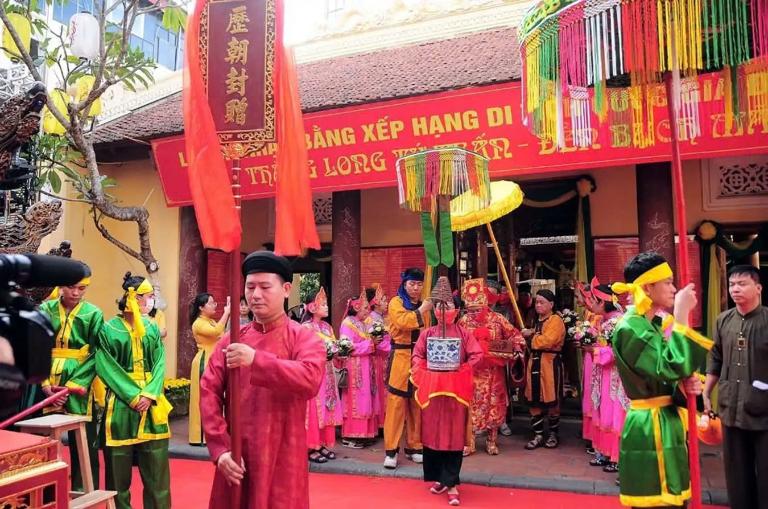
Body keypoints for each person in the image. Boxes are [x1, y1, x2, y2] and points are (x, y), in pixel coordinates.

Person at [200, 251, 326, 509]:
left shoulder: (304, 338)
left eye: (265, 287)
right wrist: (221, 448)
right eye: (250, 286)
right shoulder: (231, 340)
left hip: (284, 455)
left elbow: (310, 379)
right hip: (238, 456)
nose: (255, 294)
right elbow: (208, 392)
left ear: (286, 289)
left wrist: (256, 360)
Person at [611, 252, 712, 508]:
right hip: (649, 425)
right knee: (657, 501)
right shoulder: (630, 328)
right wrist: (680, 317)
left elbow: (672, 373)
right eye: (667, 282)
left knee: (676, 498)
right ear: (647, 287)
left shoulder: (651, 325)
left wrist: (686, 384)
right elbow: (669, 366)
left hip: (666, 419)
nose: (673, 288)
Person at [96, 273, 171, 509]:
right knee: (117, 478)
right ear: (132, 298)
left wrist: (149, 394)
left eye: (151, 297)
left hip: (153, 405)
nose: (151, 302)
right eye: (147, 297)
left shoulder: (151, 328)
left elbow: (160, 362)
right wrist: (132, 395)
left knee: (158, 475)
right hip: (120, 406)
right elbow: (105, 365)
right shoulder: (108, 329)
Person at [705, 264, 768, 509]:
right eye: (732, 284)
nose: (735, 289)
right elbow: (716, 358)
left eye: (742, 284)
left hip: (764, 408)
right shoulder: (723, 320)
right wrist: (707, 391)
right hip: (731, 406)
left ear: (758, 288)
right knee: (736, 473)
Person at [412, 297, 483, 506]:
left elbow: (477, 355)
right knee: (432, 434)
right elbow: (416, 356)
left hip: (455, 392)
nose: (443, 310)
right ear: (434, 309)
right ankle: (439, 478)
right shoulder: (427, 334)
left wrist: (462, 369)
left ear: (458, 310)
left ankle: (451, 483)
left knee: (453, 436)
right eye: (439, 306)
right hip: (433, 391)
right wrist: (425, 367)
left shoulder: (464, 334)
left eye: (448, 306)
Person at [38, 264, 103, 491]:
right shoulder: (45, 310)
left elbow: (97, 352)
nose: (76, 293)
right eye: (71, 287)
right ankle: (43, 492)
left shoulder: (93, 314)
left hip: (78, 383)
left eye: (82, 288)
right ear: (60, 285)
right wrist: (45, 384)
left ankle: (84, 490)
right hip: (46, 379)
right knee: (42, 440)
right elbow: (35, 347)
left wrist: (73, 386)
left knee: (83, 442)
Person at [458, 278, 522, 455]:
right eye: (471, 310)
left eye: (477, 309)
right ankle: (469, 442)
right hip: (471, 372)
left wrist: (516, 345)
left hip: (494, 372)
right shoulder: (463, 321)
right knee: (470, 406)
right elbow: (457, 341)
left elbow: (514, 335)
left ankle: (492, 441)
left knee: (494, 405)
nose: (474, 313)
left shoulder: (497, 319)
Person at [383, 268, 433, 469]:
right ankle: (391, 450)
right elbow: (403, 322)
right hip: (401, 356)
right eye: (412, 284)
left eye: (419, 284)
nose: (416, 288)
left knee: (417, 404)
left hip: (419, 358)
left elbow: (427, 331)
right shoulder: (396, 302)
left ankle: (414, 446)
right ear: (404, 284)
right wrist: (422, 310)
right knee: (396, 404)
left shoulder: (424, 304)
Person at [339, 289, 390, 448]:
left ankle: (367, 432)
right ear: (356, 308)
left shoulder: (365, 323)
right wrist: (370, 344)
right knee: (357, 399)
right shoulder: (348, 323)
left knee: (368, 398)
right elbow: (346, 347)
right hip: (355, 367)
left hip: (367, 365)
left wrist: (378, 344)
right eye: (365, 308)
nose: (368, 311)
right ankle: (351, 435)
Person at [301, 287, 342, 463]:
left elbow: (333, 347)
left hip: (329, 373)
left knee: (327, 407)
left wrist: (340, 352)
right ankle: (311, 446)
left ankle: (321, 443)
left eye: (326, 303)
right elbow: (302, 352)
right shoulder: (305, 327)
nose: (326, 307)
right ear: (312, 307)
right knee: (314, 409)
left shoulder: (327, 327)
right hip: (314, 373)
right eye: (323, 304)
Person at [522, 289, 566, 449]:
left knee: (551, 399)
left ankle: (553, 434)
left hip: (549, 364)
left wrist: (530, 336)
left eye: (542, 302)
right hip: (534, 363)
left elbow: (547, 341)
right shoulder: (535, 320)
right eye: (537, 302)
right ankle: (538, 434)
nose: (538, 305)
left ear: (551, 304)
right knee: (533, 399)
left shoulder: (556, 320)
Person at [189, 292, 230, 446]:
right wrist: (227, 312)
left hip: (214, 359)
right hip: (203, 362)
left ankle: (213, 433)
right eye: (211, 303)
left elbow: (221, 333)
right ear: (201, 307)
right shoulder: (198, 323)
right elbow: (216, 332)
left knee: (214, 398)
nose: (215, 305)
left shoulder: (211, 321)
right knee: (202, 398)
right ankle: (198, 436)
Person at [365, 285, 390, 430]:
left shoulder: (380, 318)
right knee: (379, 391)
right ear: (376, 302)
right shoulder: (372, 320)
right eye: (384, 300)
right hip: (377, 360)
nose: (387, 303)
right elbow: (377, 343)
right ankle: (380, 423)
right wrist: (393, 349)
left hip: (383, 359)